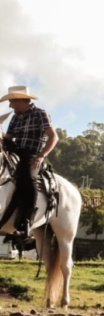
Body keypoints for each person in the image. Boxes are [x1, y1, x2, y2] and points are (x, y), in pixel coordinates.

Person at [0, 86, 59, 239]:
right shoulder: (15, 117)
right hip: (14, 151)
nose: (10, 106)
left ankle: (27, 220)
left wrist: (41, 156)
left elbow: (53, 137)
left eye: (11, 102)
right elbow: (7, 139)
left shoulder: (41, 114)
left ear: (19, 100)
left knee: (28, 178)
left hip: (32, 154)